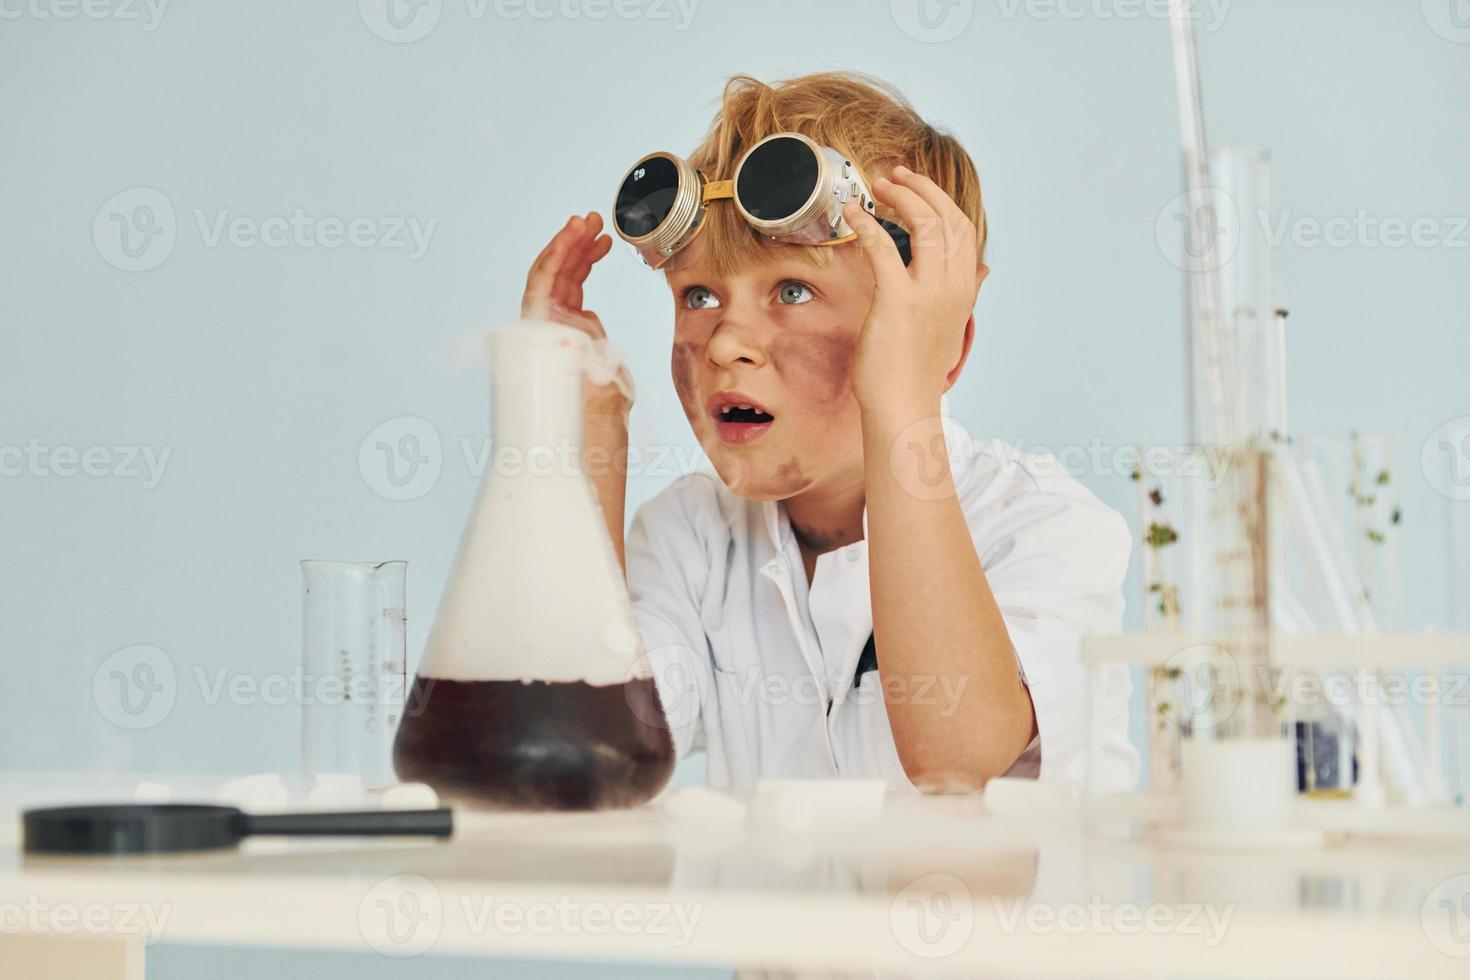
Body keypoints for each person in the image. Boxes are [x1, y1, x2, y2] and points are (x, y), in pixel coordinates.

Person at [519, 71, 1138, 795]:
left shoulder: (1041, 525)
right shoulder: (691, 539)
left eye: (792, 291)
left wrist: (902, 398)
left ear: (946, 343)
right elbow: (581, 753)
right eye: (699, 296)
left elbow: (956, 754)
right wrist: (584, 436)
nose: (723, 345)